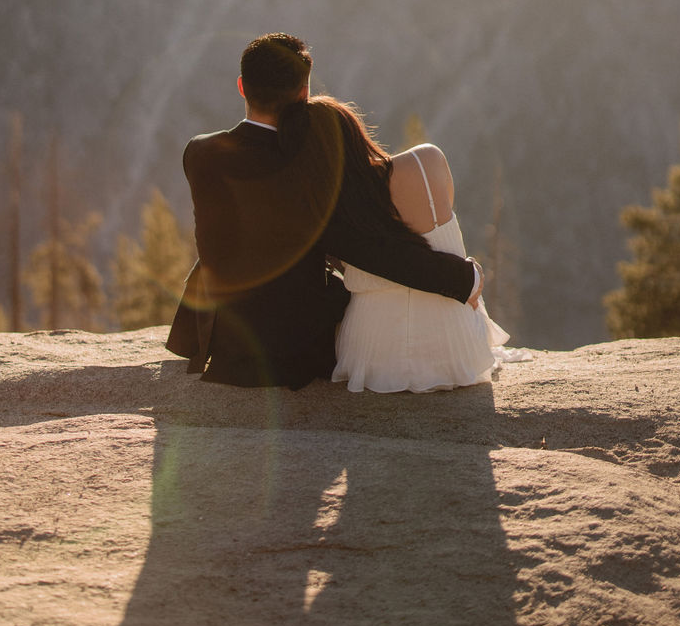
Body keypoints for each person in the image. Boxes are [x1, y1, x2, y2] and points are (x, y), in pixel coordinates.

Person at [166, 33, 481, 389]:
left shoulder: (200, 152)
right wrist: (463, 280)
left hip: (224, 346)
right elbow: (369, 250)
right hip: (291, 357)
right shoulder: (306, 166)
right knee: (357, 296)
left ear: (242, 87)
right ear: (303, 93)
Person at [325, 97, 509, 392]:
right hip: (453, 347)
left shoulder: (329, 208)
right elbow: (443, 219)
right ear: (356, 135)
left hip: (369, 354)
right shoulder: (425, 161)